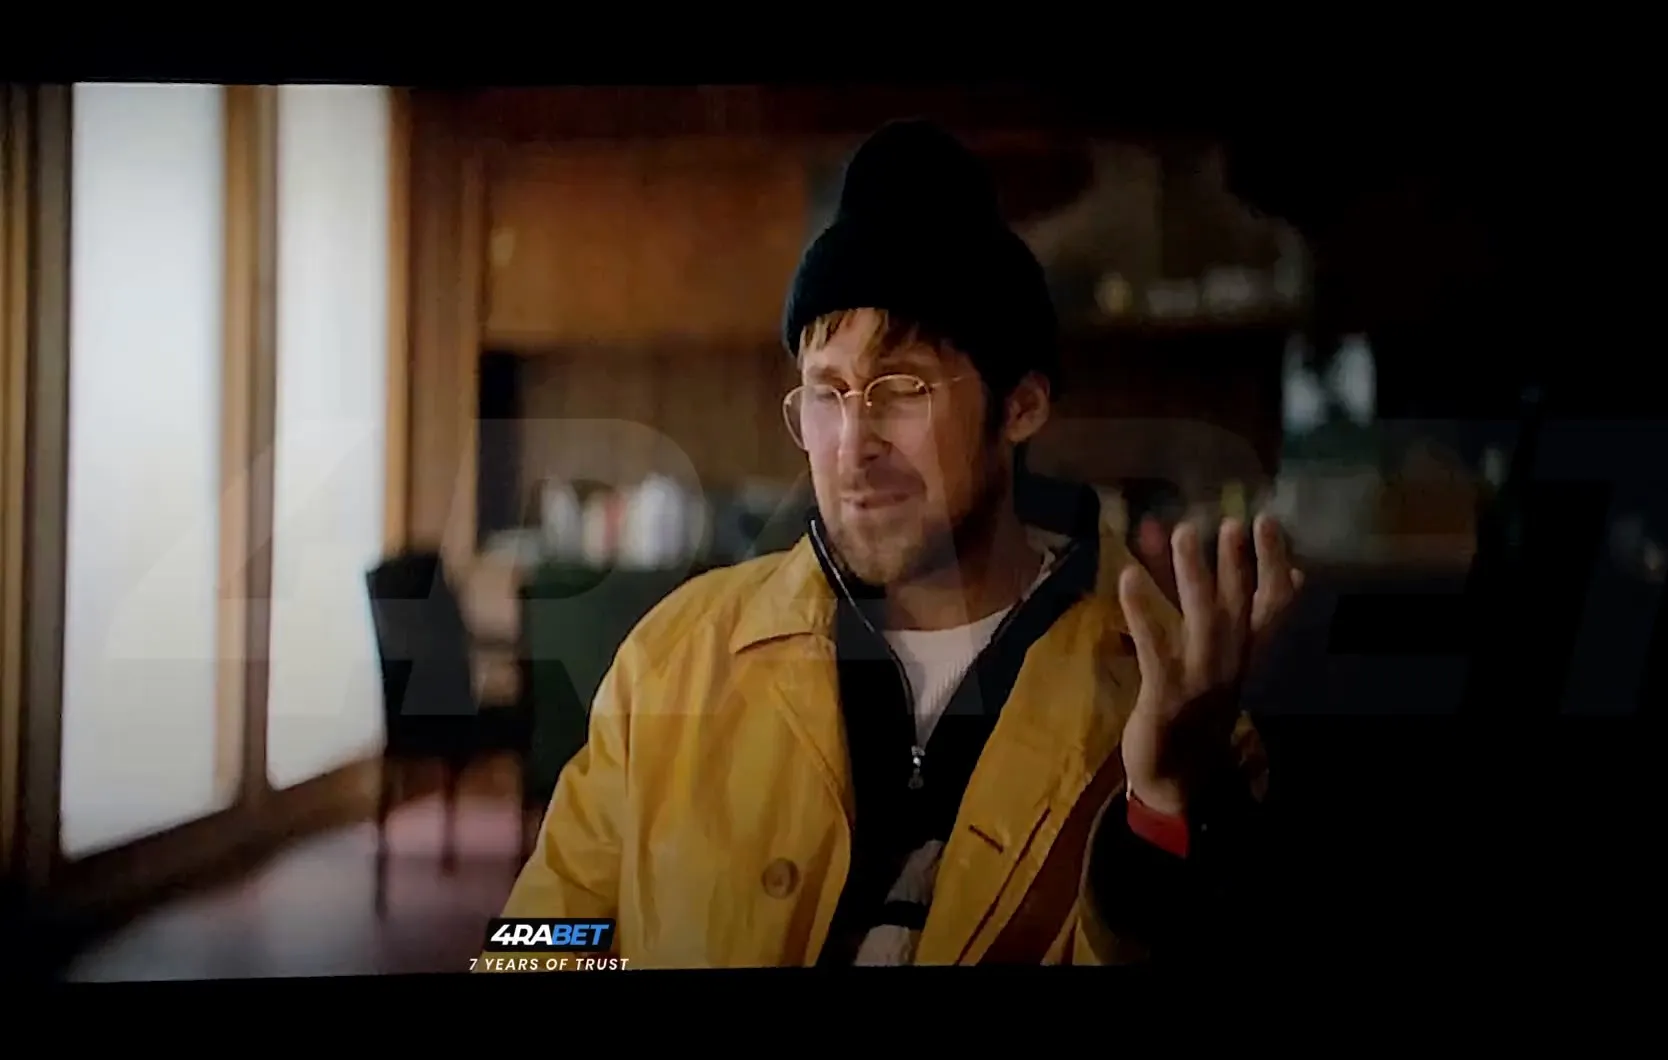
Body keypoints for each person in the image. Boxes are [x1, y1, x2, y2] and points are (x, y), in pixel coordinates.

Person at [488, 120, 1298, 967]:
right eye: (826, 392)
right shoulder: (673, 659)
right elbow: (534, 941)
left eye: (902, 388)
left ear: (1020, 406)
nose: (852, 445)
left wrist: (1161, 805)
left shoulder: (1168, 702)